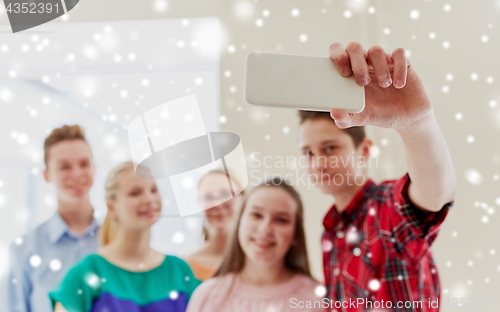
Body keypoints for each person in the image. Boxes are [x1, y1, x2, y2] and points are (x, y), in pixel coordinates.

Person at [298, 42, 456, 311]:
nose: (318, 163)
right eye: (309, 153)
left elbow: (434, 194)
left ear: (365, 150)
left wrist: (417, 125)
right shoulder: (329, 232)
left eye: (330, 148)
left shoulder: (383, 207)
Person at [49, 161, 200, 312]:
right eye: (135, 193)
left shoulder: (180, 271)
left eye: (153, 190)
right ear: (111, 207)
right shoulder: (84, 274)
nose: (149, 199)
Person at [187, 177, 325, 312]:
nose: (265, 229)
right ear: (239, 222)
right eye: (257, 215)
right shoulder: (207, 296)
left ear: (296, 234)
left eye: (281, 220)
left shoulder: (319, 300)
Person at [0, 125, 99, 312]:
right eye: (64, 166)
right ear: (46, 175)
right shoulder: (23, 251)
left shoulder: (119, 241)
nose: (76, 173)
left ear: (94, 168)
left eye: (84, 164)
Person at [185, 169, 244, 281]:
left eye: (226, 194)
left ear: (244, 199)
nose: (217, 204)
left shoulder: (262, 263)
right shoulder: (183, 266)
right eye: (208, 197)